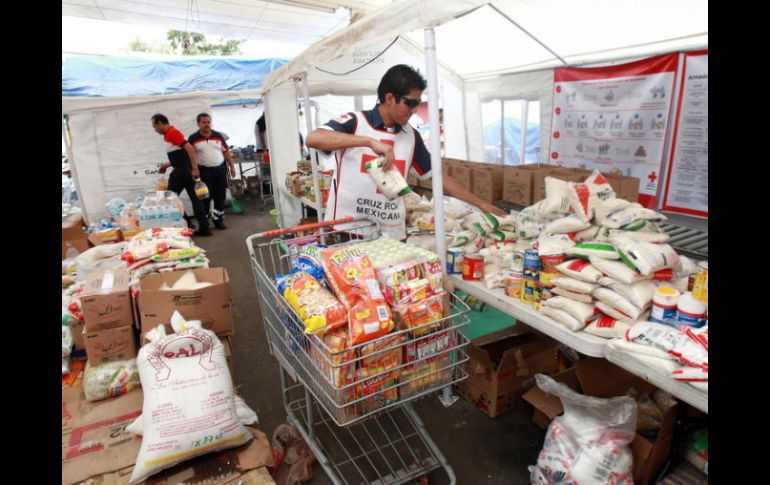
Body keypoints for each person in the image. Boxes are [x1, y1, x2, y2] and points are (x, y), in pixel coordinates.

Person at [306, 64, 506, 240]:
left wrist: (481, 204)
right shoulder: (355, 122)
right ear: (390, 98)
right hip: (348, 230)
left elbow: (437, 176)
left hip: (390, 236)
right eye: (410, 103)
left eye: (417, 104)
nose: (414, 110)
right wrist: (369, 142)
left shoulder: (411, 136)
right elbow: (314, 138)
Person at [151, 113, 212, 236]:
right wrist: (167, 164)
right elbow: (180, 154)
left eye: (155, 127)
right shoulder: (170, 134)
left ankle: (188, 224)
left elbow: (189, 148)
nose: (155, 130)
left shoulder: (172, 133)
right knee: (195, 200)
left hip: (182, 172)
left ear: (159, 123)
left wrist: (195, 168)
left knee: (168, 198)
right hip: (184, 170)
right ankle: (204, 228)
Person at [188, 113, 236, 230]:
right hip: (203, 172)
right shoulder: (193, 138)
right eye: (204, 122)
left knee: (220, 197)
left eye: (208, 122)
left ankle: (218, 220)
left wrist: (232, 166)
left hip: (220, 171)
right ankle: (205, 223)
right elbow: (190, 155)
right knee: (204, 198)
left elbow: (226, 152)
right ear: (198, 124)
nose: (206, 125)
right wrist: (193, 169)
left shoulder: (218, 136)